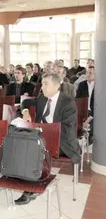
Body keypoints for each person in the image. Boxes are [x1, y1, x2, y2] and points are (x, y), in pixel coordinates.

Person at [18, 73, 81, 205]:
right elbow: (25, 102)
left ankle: (31, 187)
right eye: (42, 83)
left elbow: (66, 131)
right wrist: (25, 112)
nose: (42, 87)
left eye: (46, 84)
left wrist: (42, 131)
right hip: (41, 138)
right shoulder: (42, 98)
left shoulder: (68, 103)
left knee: (35, 148)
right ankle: (27, 179)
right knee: (22, 142)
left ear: (57, 85)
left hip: (63, 142)